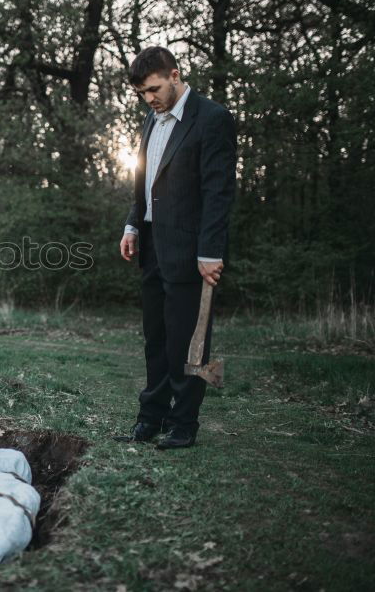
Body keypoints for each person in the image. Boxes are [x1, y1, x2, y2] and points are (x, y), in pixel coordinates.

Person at [116, 46, 236, 450]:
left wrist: (211, 250)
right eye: (142, 94)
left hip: (191, 251)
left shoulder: (213, 119)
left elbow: (218, 191)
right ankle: (151, 417)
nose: (149, 99)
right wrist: (133, 224)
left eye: (153, 89)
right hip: (150, 245)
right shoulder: (150, 122)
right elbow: (143, 181)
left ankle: (183, 424)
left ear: (175, 74)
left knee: (189, 341)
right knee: (156, 338)